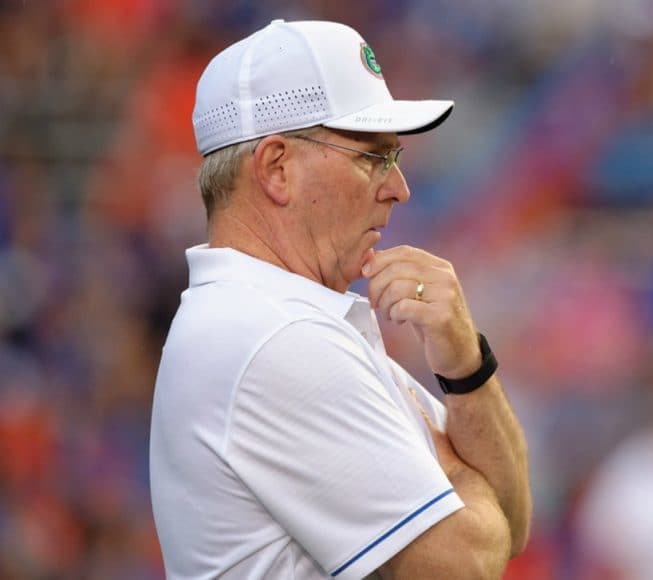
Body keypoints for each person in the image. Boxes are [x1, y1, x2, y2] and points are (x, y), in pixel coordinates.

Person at [148, 19, 531, 580]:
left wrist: (465, 365)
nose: (399, 187)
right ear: (278, 169)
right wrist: (455, 469)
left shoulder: (273, 317)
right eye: (372, 156)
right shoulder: (273, 337)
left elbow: (512, 529)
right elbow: (467, 565)